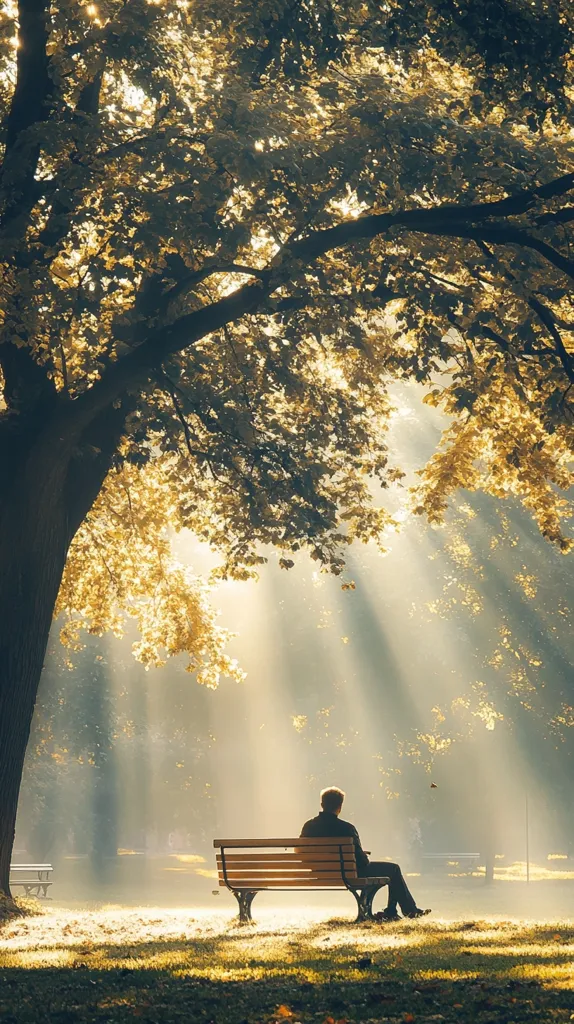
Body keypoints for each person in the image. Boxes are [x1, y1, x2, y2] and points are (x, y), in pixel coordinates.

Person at [300, 786, 431, 921]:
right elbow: (362, 862)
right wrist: (363, 856)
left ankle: (392, 911)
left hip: (320, 873)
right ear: (340, 806)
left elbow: (301, 852)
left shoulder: (309, 826)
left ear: (322, 804)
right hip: (348, 874)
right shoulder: (346, 828)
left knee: (391, 870)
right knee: (393, 869)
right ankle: (408, 911)